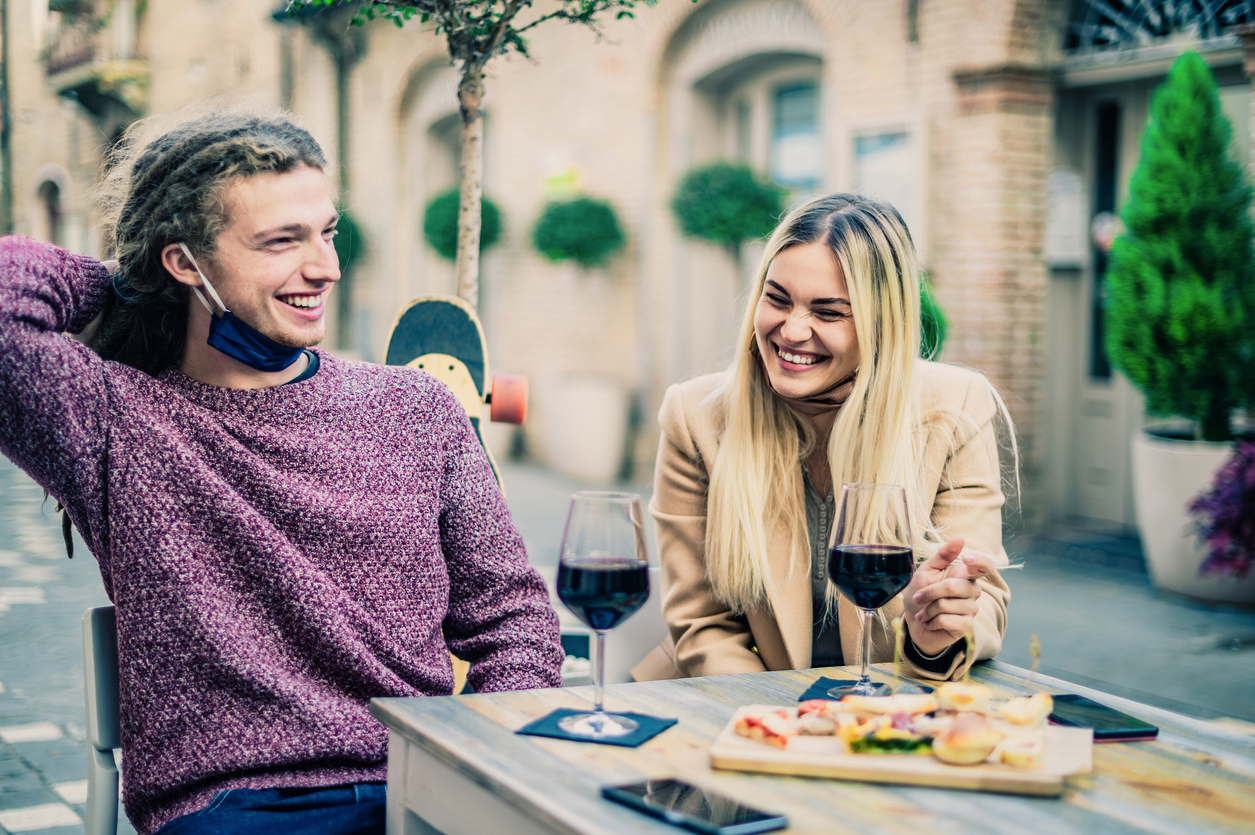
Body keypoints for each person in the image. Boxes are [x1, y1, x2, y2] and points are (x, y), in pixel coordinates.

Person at [0, 104, 562, 835]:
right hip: (239, 806)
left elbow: (512, 618)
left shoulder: (415, 408)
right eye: (280, 241)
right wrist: (134, 279)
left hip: (424, 782)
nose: (325, 266)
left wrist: (487, 764)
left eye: (326, 231)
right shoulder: (115, 420)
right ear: (185, 261)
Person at [632, 193, 1013, 683]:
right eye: (777, 299)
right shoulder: (696, 417)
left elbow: (983, 604)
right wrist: (786, 723)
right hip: (729, 703)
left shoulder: (955, 407)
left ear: (882, 324)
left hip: (889, 706)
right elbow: (704, 627)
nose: (791, 330)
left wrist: (933, 635)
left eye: (828, 312)